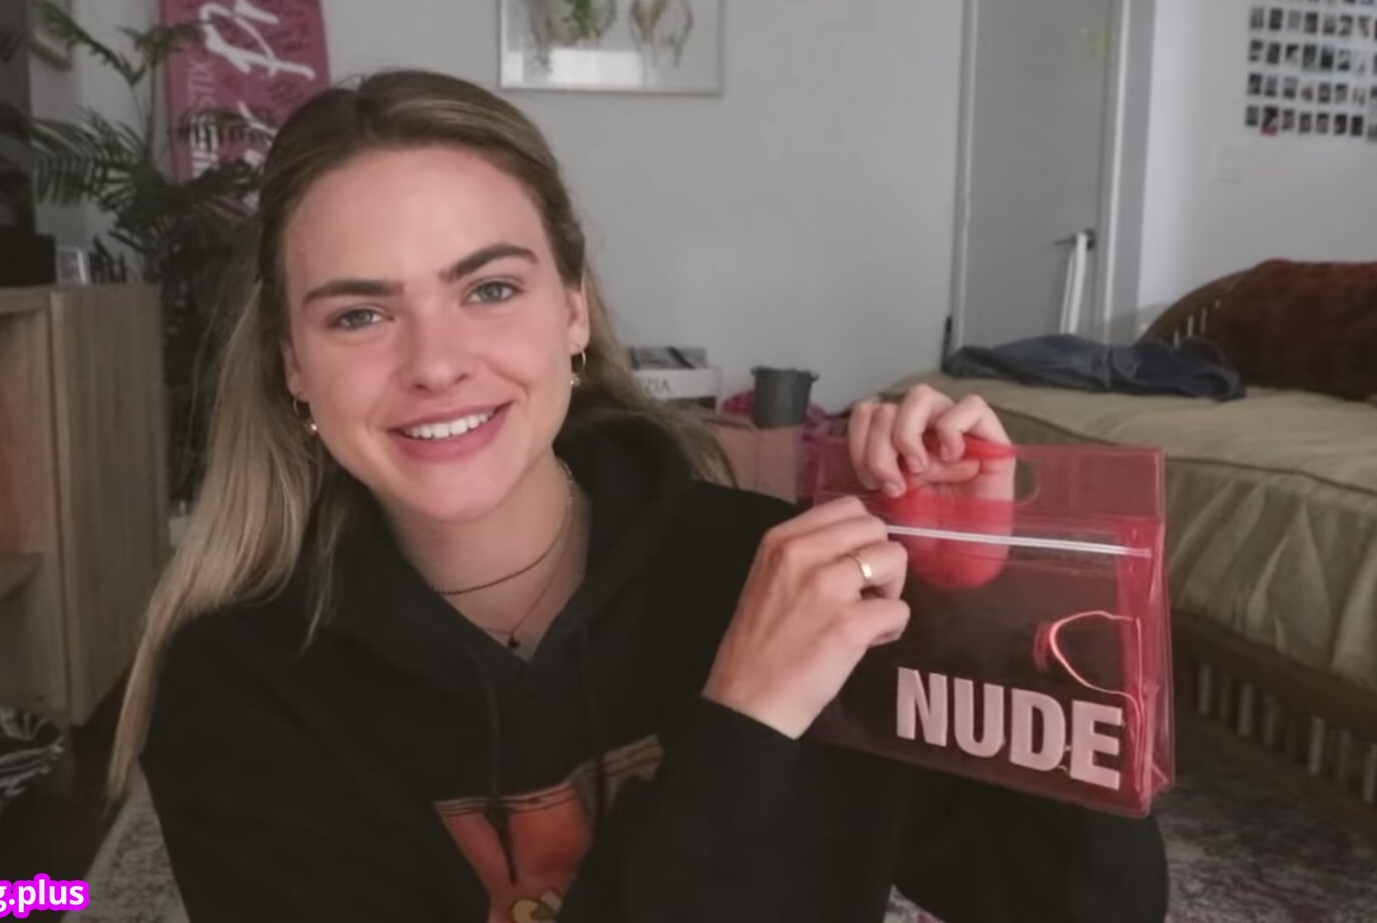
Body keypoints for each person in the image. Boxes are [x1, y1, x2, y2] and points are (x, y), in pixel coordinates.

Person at [111, 69, 1168, 922]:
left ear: (573, 310)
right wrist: (746, 720)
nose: (435, 363)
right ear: (292, 365)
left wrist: (991, 599)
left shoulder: (782, 580)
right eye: (358, 315)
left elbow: (1078, 907)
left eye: (490, 288)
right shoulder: (238, 690)